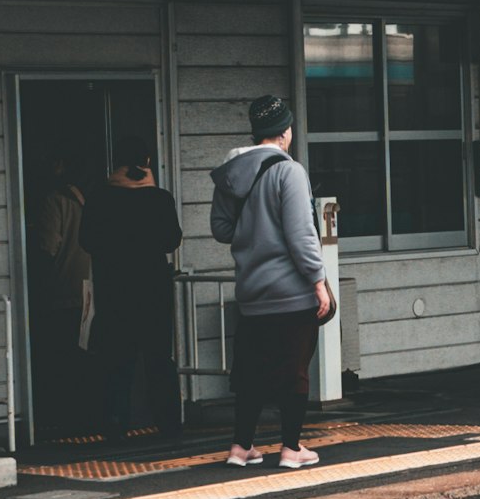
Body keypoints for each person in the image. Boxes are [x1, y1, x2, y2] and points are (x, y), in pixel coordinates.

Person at [208, 94, 333, 468]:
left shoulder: (232, 172)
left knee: (250, 373)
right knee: (294, 370)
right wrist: (318, 281)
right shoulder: (289, 171)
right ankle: (292, 449)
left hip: (251, 292)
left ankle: (240, 447)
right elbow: (302, 234)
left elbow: (220, 228)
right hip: (290, 292)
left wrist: (254, 233)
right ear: (285, 132)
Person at [85, 148, 184, 443]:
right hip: (153, 288)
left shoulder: (100, 198)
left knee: (116, 359)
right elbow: (172, 240)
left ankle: (115, 425)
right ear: (147, 164)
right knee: (159, 359)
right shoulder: (160, 198)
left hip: (114, 288)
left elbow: (86, 239)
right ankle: (168, 425)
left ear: (116, 164)